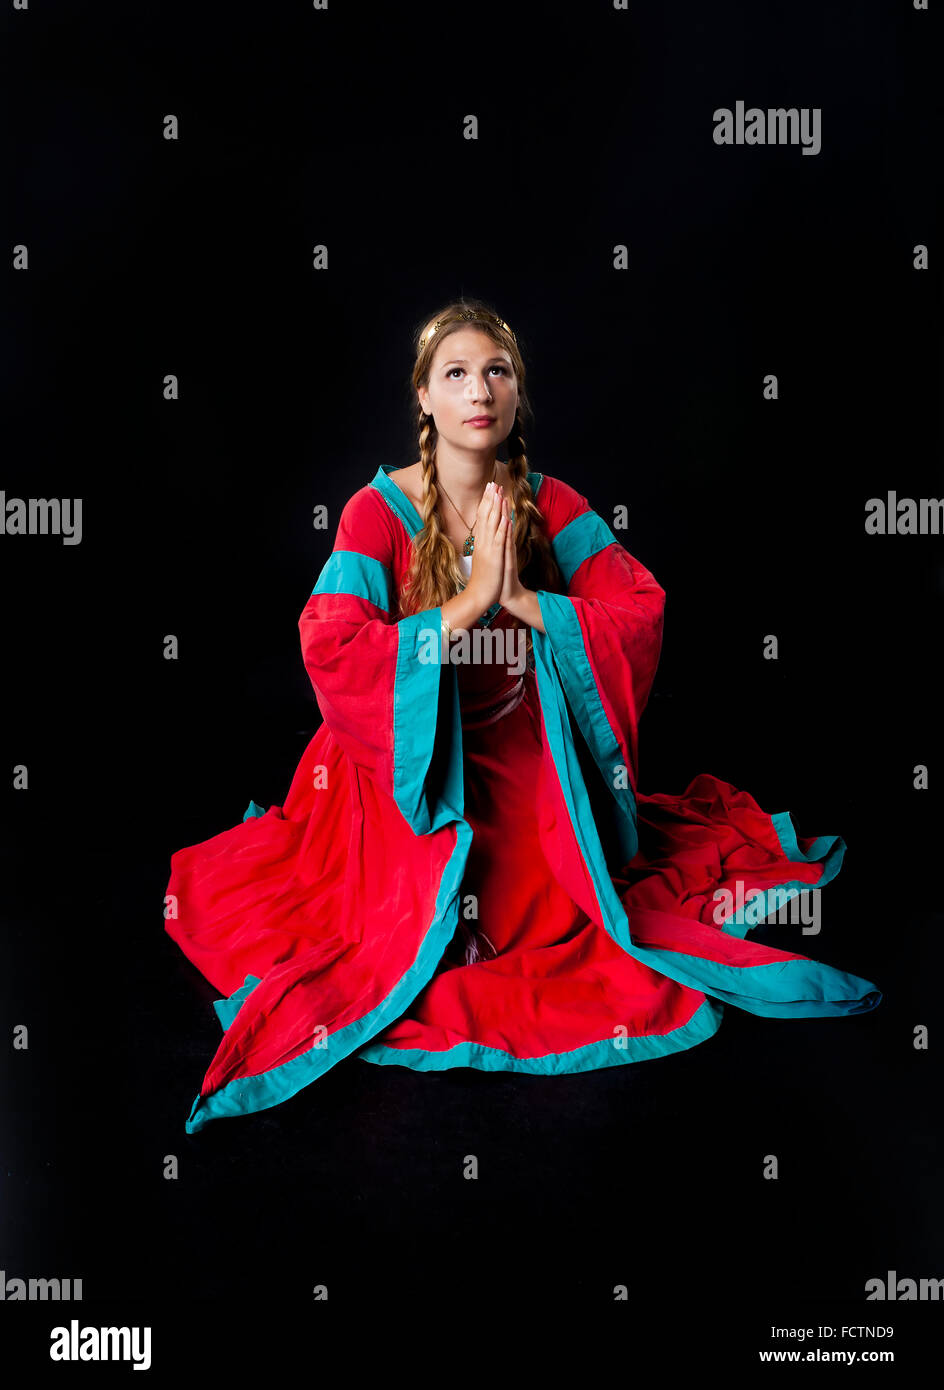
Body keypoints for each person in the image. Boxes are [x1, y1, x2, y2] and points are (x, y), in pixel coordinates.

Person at [164, 299, 882, 1135]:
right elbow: (330, 642)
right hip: (415, 762)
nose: (480, 391)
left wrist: (525, 601)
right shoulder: (377, 514)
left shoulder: (552, 502)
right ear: (424, 399)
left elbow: (639, 610)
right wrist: (466, 607)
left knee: (543, 903)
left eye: (497, 372)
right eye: (457, 374)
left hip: (523, 745)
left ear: (516, 394)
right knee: (430, 913)